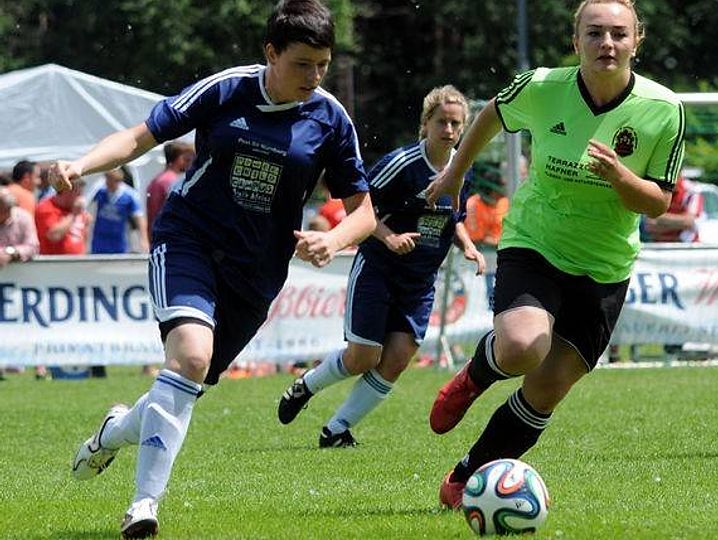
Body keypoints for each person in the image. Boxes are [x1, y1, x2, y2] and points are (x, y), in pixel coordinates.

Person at [58, 2, 376, 537]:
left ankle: (110, 434)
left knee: (187, 383)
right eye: (302, 64)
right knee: (190, 357)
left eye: (322, 65)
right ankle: (143, 506)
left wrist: (333, 238)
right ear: (271, 53)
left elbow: (363, 211)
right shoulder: (228, 89)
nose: (314, 77)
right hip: (190, 243)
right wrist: (80, 165)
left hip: (257, 274)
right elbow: (140, 136)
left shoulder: (330, 119)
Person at [424, 0, 684, 509]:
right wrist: (455, 171)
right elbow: (493, 113)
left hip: (605, 267)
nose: (607, 43)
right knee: (523, 347)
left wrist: (621, 177)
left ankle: (466, 476)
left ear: (636, 41)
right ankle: (475, 376)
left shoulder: (663, 108)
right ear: (575, 40)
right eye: (595, 32)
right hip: (536, 243)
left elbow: (658, 203)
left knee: (545, 391)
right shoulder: (542, 86)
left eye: (618, 33)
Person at [276, 85, 485, 446]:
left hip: (420, 281)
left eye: (455, 124)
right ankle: (305, 386)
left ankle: (336, 430)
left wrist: (468, 246)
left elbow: (455, 217)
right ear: (426, 123)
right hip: (379, 270)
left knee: (398, 357)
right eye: (441, 122)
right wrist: (389, 238)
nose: (449, 130)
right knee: (363, 357)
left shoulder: (461, 168)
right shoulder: (401, 163)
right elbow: (360, 209)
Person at [90, 167, 148, 254]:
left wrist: (143, 239)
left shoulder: (129, 195)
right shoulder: (101, 191)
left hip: (119, 241)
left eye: (110, 182)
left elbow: (139, 217)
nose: (107, 184)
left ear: (117, 181)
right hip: (99, 240)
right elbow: (87, 203)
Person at [145, 141, 195, 242]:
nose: (190, 163)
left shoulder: (157, 180)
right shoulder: (172, 181)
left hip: (158, 234)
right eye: (187, 159)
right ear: (178, 159)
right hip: (170, 236)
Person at [35, 179, 90, 255]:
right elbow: (53, 235)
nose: (80, 198)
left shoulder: (78, 209)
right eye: (78, 194)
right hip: (54, 261)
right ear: (67, 191)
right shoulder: (45, 207)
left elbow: (83, 238)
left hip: (78, 261)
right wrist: (73, 215)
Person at [643, 174, 702, 242]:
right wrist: (679, 223)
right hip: (658, 245)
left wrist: (658, 219)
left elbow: (689, 222)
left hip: (687, 245)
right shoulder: (655, 188)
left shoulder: (692, 190)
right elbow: (650, 225)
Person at [464, 166, 509, 248]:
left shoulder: (505, 202)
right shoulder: (473, 205)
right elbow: (476, 239)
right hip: (485, 250)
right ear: (494, 191)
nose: (505, 189)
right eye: (502, 186)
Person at [0, 186, 39, 266]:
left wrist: (10, 252)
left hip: (19, 271)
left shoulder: (23, 217)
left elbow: (33, 247)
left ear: (8, 209)